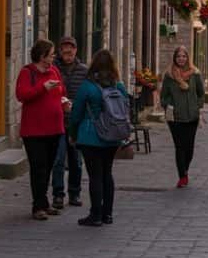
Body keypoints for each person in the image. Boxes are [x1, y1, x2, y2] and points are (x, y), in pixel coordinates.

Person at [69, 49, 128, 227]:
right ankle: (107, 214)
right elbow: (125, 109)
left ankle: (95, 214)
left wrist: (73, 134)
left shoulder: (88, 87)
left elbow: (76, 113)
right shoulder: (118, 86)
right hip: (112, 136)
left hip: (91, 136)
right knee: (107, 173)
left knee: (95, 175)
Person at [16, 39, 66, 221]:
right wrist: (42, 88)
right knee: (38, 167)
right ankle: (37, 205)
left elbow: (61, 92)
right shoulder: (27, 73)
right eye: (51, 54)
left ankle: (44, 202)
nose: (53, 57)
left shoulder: (54, 71)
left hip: (54, 127)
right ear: (42, 56)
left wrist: (64, 103)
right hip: (34, 130)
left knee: (49, 166)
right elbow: (22, 95)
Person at [159, 46, 205, 188]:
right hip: (175, 117)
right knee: (179, 147)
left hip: (191, 116)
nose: (181, 59)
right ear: (175, 58)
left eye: (184, 56)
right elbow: (164, 96)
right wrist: (168, 105)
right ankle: (182, 176)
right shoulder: (169, 76)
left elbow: (201, 93)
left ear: (187, 58)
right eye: (178, 56)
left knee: (189, 147)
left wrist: (197, 106)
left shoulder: (195, 74)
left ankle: (185, 168)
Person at [52, 36, 87, 210]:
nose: (68, 52)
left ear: (76, 50)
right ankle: (58, 194)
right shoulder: (53, 69)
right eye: (65, 49)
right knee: (58, 160)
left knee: (76, 161)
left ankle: (74, 193)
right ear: (60, 51)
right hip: (57, 121)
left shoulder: (83, 71)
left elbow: (86, 95)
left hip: (76, 122)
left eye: (71, 48)